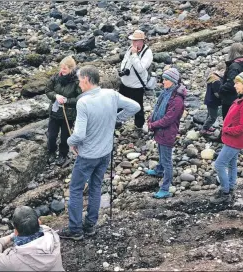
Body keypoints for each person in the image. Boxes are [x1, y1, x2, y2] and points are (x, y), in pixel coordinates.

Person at [58, 66, 140, 240]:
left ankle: (75, 230)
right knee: (96, 187)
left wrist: (69, 142)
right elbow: (135, 106)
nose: (79, 85)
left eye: (80, 80)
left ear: (87, 80)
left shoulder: (83, 102)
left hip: (87, 155)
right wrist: (117, 119)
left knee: (76, 189)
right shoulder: (111, 94)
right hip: (105, 153)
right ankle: (90, 226)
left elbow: (79, 134)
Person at [211, 72, 243, 203]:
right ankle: (231, 187)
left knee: (219, 164)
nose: (234, 86)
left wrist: (226, 129)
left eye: (237, 83)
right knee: (231, 164)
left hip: (235, 140)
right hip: (234, 139)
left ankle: (225, 191)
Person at [145, 68, 186, 199]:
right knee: (161, 152)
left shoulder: (177, 99)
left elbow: (169, 119)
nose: (163, 82)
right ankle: (159, 169)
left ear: (173, 81)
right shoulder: (166, 93)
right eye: (163, 79)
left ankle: (165, 188)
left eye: (166, 79)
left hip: (167, 132)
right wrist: (151, 118)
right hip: (160, 131)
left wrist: (153, 125)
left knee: (167, 160)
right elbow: (157, 108)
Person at [0, 206, 64, 271]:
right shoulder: (52, 234)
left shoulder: (13, 260)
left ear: (16, 231)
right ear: (39, 222)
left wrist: (3, 240)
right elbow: (43, 228)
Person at [45, 56, 82, 166]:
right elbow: (48, 90)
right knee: (51, 135)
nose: (62, 70)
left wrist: (67, 100)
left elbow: (80, 98)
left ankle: (63, 154)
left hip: (68, 114)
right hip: (55, 112)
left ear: (71, 69)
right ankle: (51, 152)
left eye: (65, 68)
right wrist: (55, 96)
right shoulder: (55, 77)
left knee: (65, 137)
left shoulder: (77, 81)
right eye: (61, 68)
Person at [117, 29, 153, 130]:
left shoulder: (148, 53)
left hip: (137, 86)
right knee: (118, 104)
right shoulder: (130, 48)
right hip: (125, 83)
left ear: (142, 41)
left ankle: (139, 125)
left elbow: (140, 68)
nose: (133, 42)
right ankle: (116, 122)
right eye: (133, 40)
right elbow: (124, 61)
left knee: (138, 107)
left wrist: (134, 55)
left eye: (136, 40)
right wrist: (123, 71)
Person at [219, 43, 243, 120]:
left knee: (228, 120)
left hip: (230, 99)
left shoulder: (234, 66)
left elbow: (231, 84)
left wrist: (221, 89)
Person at [200, 71, 223, 135]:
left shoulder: (211, 79)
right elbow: (217, 94)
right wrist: (222, 98)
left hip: (208, 100)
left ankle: (207, 126)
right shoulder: (216, 81)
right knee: (213, 117)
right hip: (213, 101)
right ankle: (204, 129)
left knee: (209, 115)